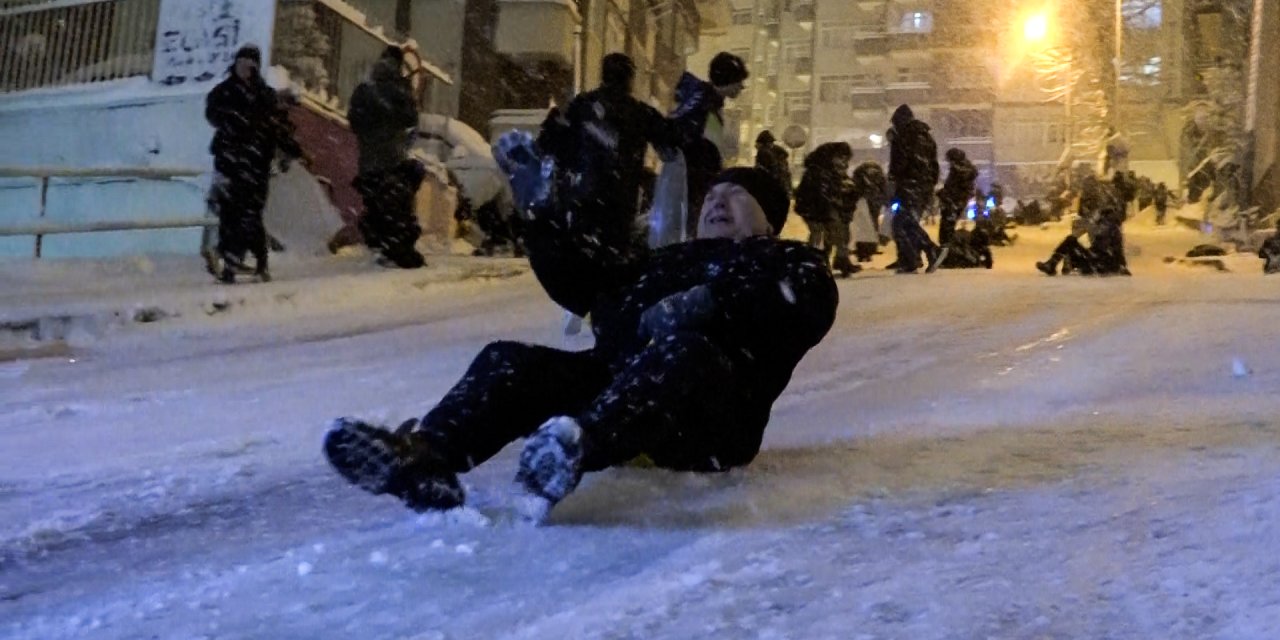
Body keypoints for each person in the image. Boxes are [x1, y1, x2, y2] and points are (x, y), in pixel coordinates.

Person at [323, 151, 838, 519]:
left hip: (709, 423)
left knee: (684, 352)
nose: (718, 201)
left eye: (737, 194)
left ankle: (569, 451)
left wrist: (710, 301)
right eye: (713, 194)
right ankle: (427, 457)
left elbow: (808, 299)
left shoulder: (783, 258)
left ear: (769, 217)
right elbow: (584, 285)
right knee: (511, 360)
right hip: (620, 391)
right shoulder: (661, 259)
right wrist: (541, 215)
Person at [537, 53, 678, 256]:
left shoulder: (581, 107)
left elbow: (550, 143)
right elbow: (670, 144)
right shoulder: (639, 113)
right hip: (621, 202)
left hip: (584, 198)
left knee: (583, 254)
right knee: (615, 255)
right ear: (630, 79)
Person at [204, 44, 302, 283]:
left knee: (249, 214)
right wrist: (232, 118)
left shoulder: (264, 95)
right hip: (230, 160)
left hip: (255, 163)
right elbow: (212, 114)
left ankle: (252, 260)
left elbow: (277, 126)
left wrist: (289, 149)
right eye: (241, 63)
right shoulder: (224, 91)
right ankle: (233, 260)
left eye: (249, 64)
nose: (245, 69)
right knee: (230, 212)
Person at [349, 45, 426, 269]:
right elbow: (410, 119)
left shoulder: (364, 89)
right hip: (394, 160)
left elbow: (354, 121)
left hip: (368, 162)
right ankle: (396, 250)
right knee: (399, 207)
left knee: (376, 205)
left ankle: (379, 245)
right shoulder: (399, 89)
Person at [671, 52, 749, 238]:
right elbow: (698, 146)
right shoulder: (704, 105)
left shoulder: (705, 102)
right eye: (739, 81)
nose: (742, 86)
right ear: (728, 80)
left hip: (696, 182)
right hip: (694, 184)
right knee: (693, 231)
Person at [886, 104, 944, 273]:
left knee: (901, 223)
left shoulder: (904, 136)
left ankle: (929, 250)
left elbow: (899, 164)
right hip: (924, 186)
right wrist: (930, 184)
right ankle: (911, 259)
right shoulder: (926, 137)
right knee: (909, 222)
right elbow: (934, 164)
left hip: (909, 185)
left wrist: (893, 179)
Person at [795, 142, 858, 276]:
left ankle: (830, 261)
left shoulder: (828, 170)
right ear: (834, 156)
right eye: (842, 158)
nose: (844, 162)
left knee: (833, 233)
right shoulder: (820, 171)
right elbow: (820, 193)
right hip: (815, 208)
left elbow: (843, 189)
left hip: (820, 207)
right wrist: (834, 201)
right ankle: (816, 262)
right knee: (820, 234)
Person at [1036, 206, 1129, 276]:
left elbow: (1104, 248)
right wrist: (1121, 265)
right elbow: (1117, 249)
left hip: (1099, 264)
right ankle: (1055, 264)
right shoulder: (1112, 228)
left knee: (1071, 240)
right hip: (1101, 263)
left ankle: (1053, 263)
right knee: (1072, 242)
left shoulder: (1107, 227)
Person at [937, 148, 977, 247]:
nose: (949, 163)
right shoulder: (965, 170)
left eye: (949, 160)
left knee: (947, 226)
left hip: (953, 202)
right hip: (956, 202)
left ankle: (946, 247)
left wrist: (943, 193)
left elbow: (954, 188)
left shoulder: (958, 171)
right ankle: (947, 246)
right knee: (948, 225)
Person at [850, 161, 886, 263]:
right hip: (874, 201)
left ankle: (862, 250)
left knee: (862, 226)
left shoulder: (859, 172)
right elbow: (883, 188)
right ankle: (871, 248)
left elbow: (855, 187)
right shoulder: (879, 173)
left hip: (863, 200)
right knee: (873, 224)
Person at [754, 130, 793, 196]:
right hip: (781, 189)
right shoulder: (777, 155)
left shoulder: (764, 153)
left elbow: (763, 173)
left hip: (771, 189)